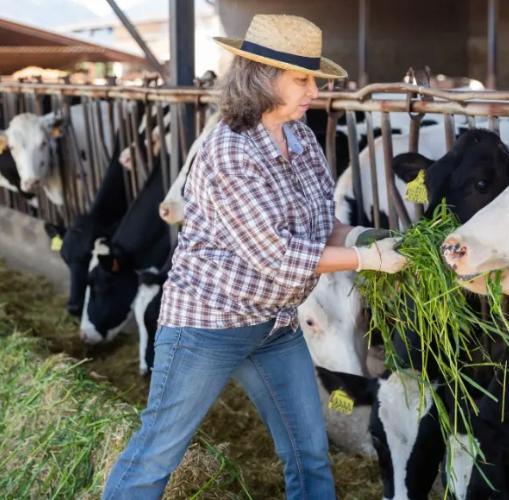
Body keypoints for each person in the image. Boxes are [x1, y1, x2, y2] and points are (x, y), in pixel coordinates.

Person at [102, 14, 406, 500]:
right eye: (302, 79)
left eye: (314, 79)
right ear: (264, 79)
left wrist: (368, 238)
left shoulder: (302, 136)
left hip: (275, 324)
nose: (314, 91)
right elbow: (282, 258)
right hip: (208, 327)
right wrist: (367, 263)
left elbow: (319, 225)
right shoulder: (230, 150)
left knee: (309, 454)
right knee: (157, 452)